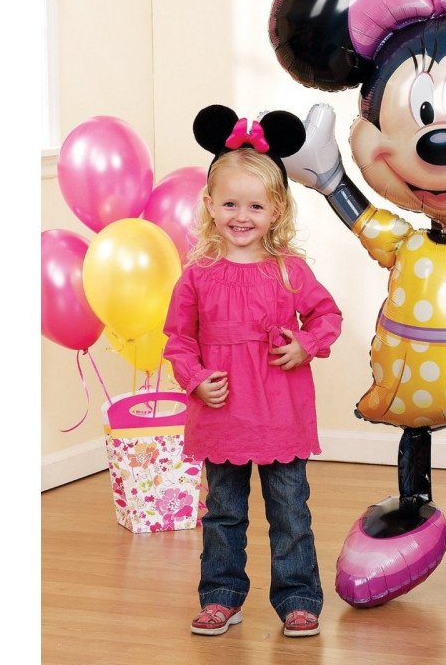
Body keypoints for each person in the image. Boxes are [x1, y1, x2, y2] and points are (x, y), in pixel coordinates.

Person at [164, 105, 342, 638]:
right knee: (223, 512)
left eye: (256, 206)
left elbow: (327, 316)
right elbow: (179, 339)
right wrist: (195, 378)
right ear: (210, 205)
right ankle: (221, 596)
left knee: (289, 512)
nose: (242, 216)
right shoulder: (197, 275)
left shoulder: (290, 271)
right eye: (230, 204)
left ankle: (298, 598)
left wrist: (306, 345)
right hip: (222, 415)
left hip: (279, 414)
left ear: (277, 209)